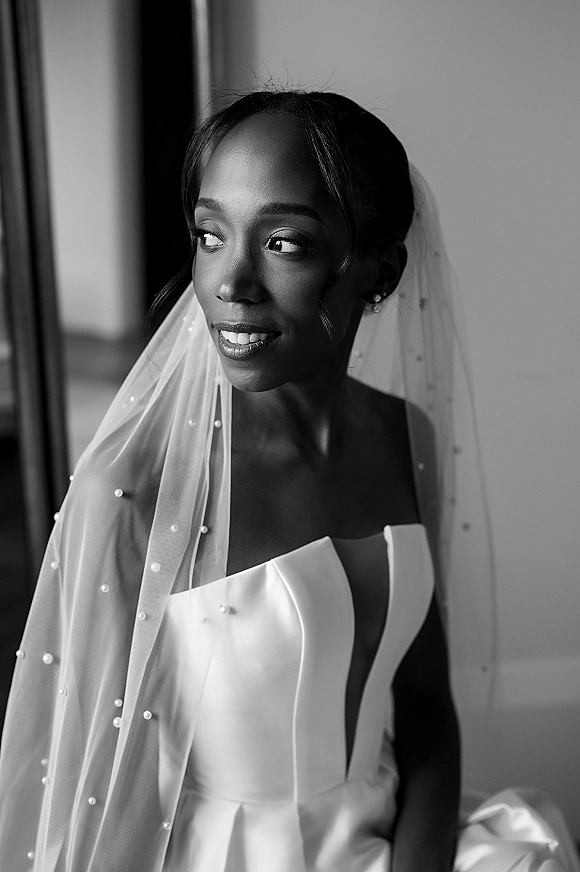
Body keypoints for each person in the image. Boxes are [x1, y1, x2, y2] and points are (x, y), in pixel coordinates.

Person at [0, 89, 578, 872]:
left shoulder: (402, 434)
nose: (229, 282)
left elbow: (426, 716)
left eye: (283, 243)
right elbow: (106, 792)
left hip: (390, 839)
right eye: (210, 234)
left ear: (379, 271)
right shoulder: (133, 486)